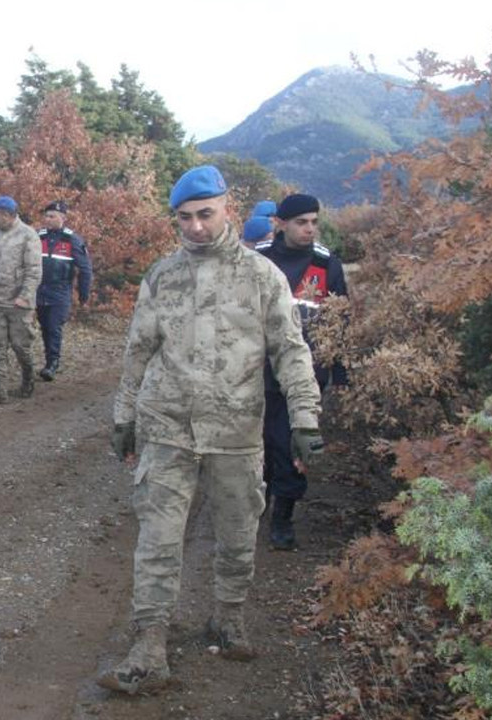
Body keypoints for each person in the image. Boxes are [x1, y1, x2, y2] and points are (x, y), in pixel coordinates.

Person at [100, 166, 324, 694]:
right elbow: (138, 351)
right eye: (185, 218)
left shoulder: (262, 277)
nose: (196, 227)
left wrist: (305, 417)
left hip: (236, 429)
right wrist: (123, 416)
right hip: (167, 426)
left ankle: (228, 616)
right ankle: (149, 643)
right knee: (157, 538)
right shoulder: (161, 276)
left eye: (206, 214)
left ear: (229, 208)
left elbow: (290, 351)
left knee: (238, 531)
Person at [254, 193, 348, 550]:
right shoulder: (258, 258)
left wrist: (339, 373)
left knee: (292, 442)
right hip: (256, 369)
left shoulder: (327, 266)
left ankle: (283, 516)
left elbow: (341, 321)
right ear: (281, 223)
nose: (309, 229)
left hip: (306, 374)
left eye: (313, 222)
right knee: (258, 440)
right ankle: (256, 499)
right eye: (301, 222)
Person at [0, 195, 42, 404]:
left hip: (18, 303)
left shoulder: (28, 236)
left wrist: (25, 296)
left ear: (7, 215)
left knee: (21, 346)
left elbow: (34, 271)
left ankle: (28, 379)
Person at [34, 200, 93, 381]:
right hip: (39, 290)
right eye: (46, 216)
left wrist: (83, 294)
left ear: (63, 218)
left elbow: (85, 269)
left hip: (60, 291)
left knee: (54, 326)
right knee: (44, 327)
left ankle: (53, 363)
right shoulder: (39, 237)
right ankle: (49, 360)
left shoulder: (72, 240)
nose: (48, 219)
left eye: (52, 216)